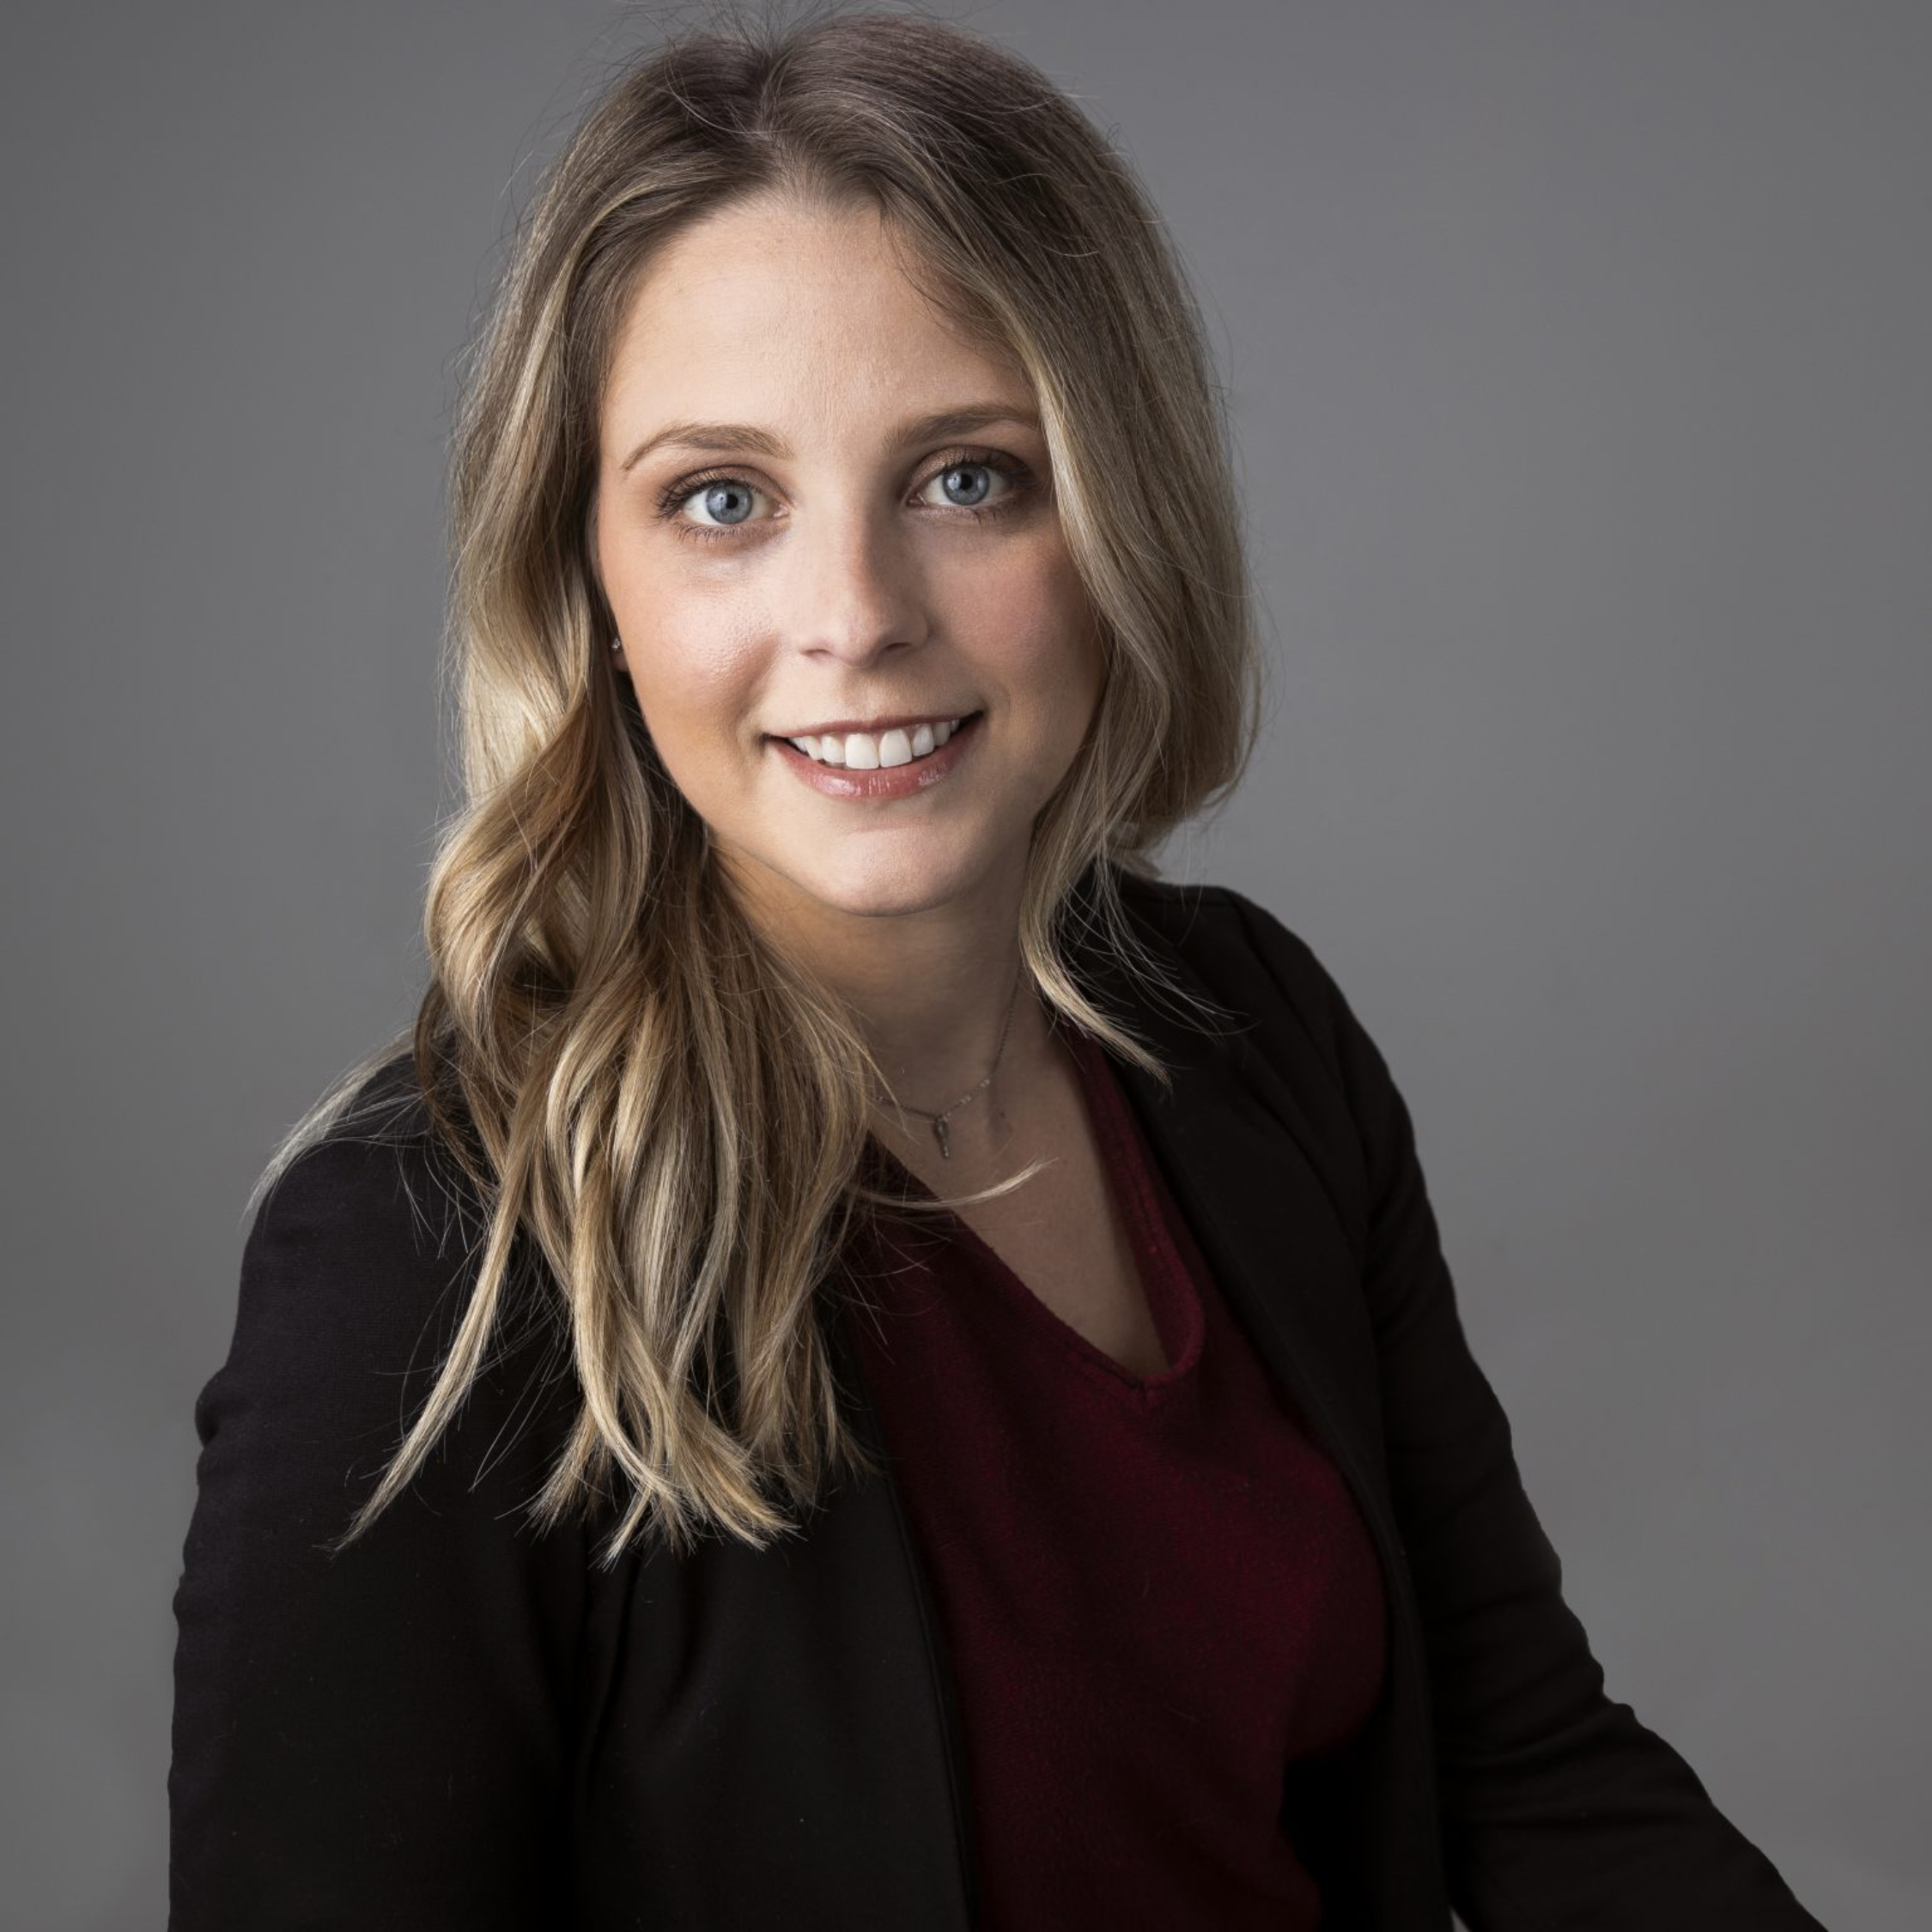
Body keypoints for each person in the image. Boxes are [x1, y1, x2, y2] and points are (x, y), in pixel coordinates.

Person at [167, 8, 1829, 1928]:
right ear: (590, 589)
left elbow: (1528, 1773)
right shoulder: (422, 1261)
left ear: (1119, 514)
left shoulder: (1249, 1036)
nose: (857, 618)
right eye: (724, 500)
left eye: (967, 477)